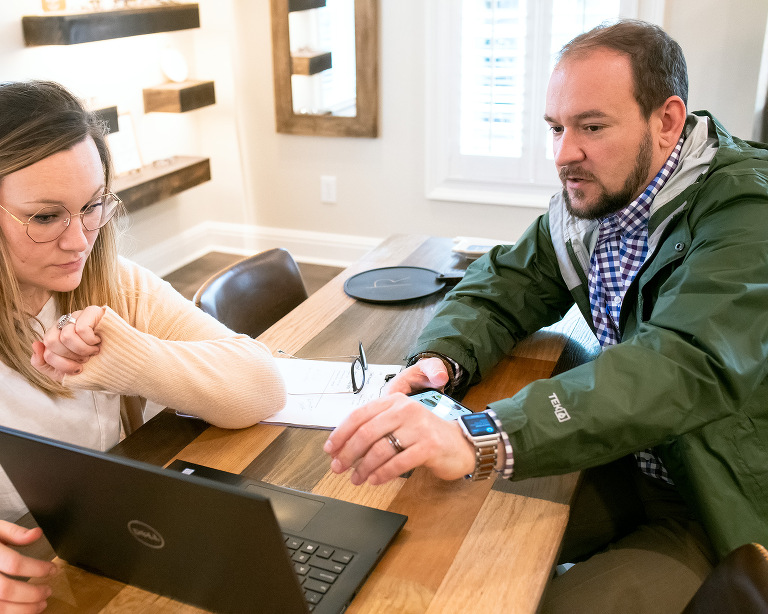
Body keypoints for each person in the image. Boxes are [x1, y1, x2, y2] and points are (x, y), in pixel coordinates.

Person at [323, 19, 768, 613]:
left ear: (666, 121)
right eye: (555, 128)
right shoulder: (600, 197)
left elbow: (679, 366)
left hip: (718, 499)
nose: (564, 155)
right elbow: (504, 283)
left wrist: (481, 435)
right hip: (632, 453)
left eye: (591, 127)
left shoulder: (746, 215)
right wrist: (440, 361)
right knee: (425, 525)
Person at [0, 80, 286, 612]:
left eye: (91, 206)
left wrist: (136, 361)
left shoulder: (114, 283)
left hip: (117, 551)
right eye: (44, 217)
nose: (79, 239)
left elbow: (262, 385)